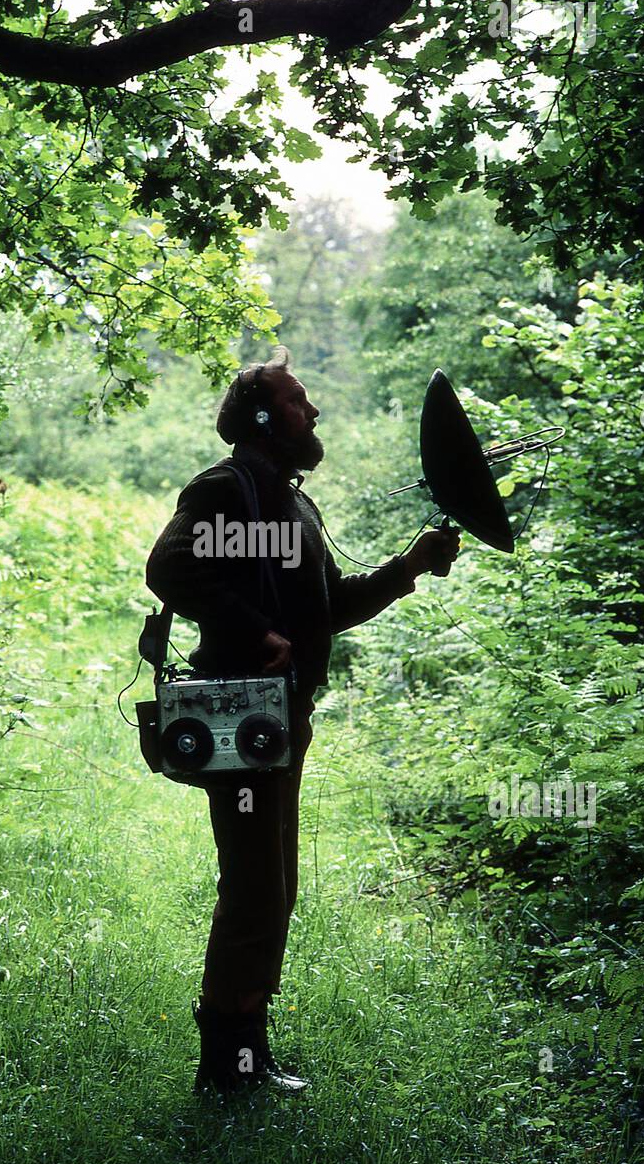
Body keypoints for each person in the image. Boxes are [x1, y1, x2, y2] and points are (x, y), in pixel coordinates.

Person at [145, 349, 460, 1095]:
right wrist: (257, 632)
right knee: (255, 888)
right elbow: (171, 568)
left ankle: (243, 1052)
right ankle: (229, 1067)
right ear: (261, 417)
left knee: (272, 888)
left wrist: (408, 566)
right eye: (296, 401)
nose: (312, 412)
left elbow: (329, 610)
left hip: (283, 720)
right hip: (243, 718)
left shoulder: (289, 502)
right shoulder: (228, 488)